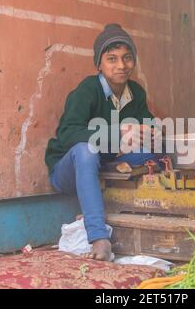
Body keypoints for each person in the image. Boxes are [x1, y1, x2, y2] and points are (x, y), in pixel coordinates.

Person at [45, 23, 160, 261]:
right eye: (112, 59)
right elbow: (67, 134)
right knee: (86, 150)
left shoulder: (136, 92)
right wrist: (116, 134)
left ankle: (114, 178)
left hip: (106, 164)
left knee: (160, 149)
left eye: (127, 58)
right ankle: (99, 237)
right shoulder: (88, 90)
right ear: (99, 63)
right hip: (70, 170)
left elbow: (148, 126)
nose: (121, 65)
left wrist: (153, 130)